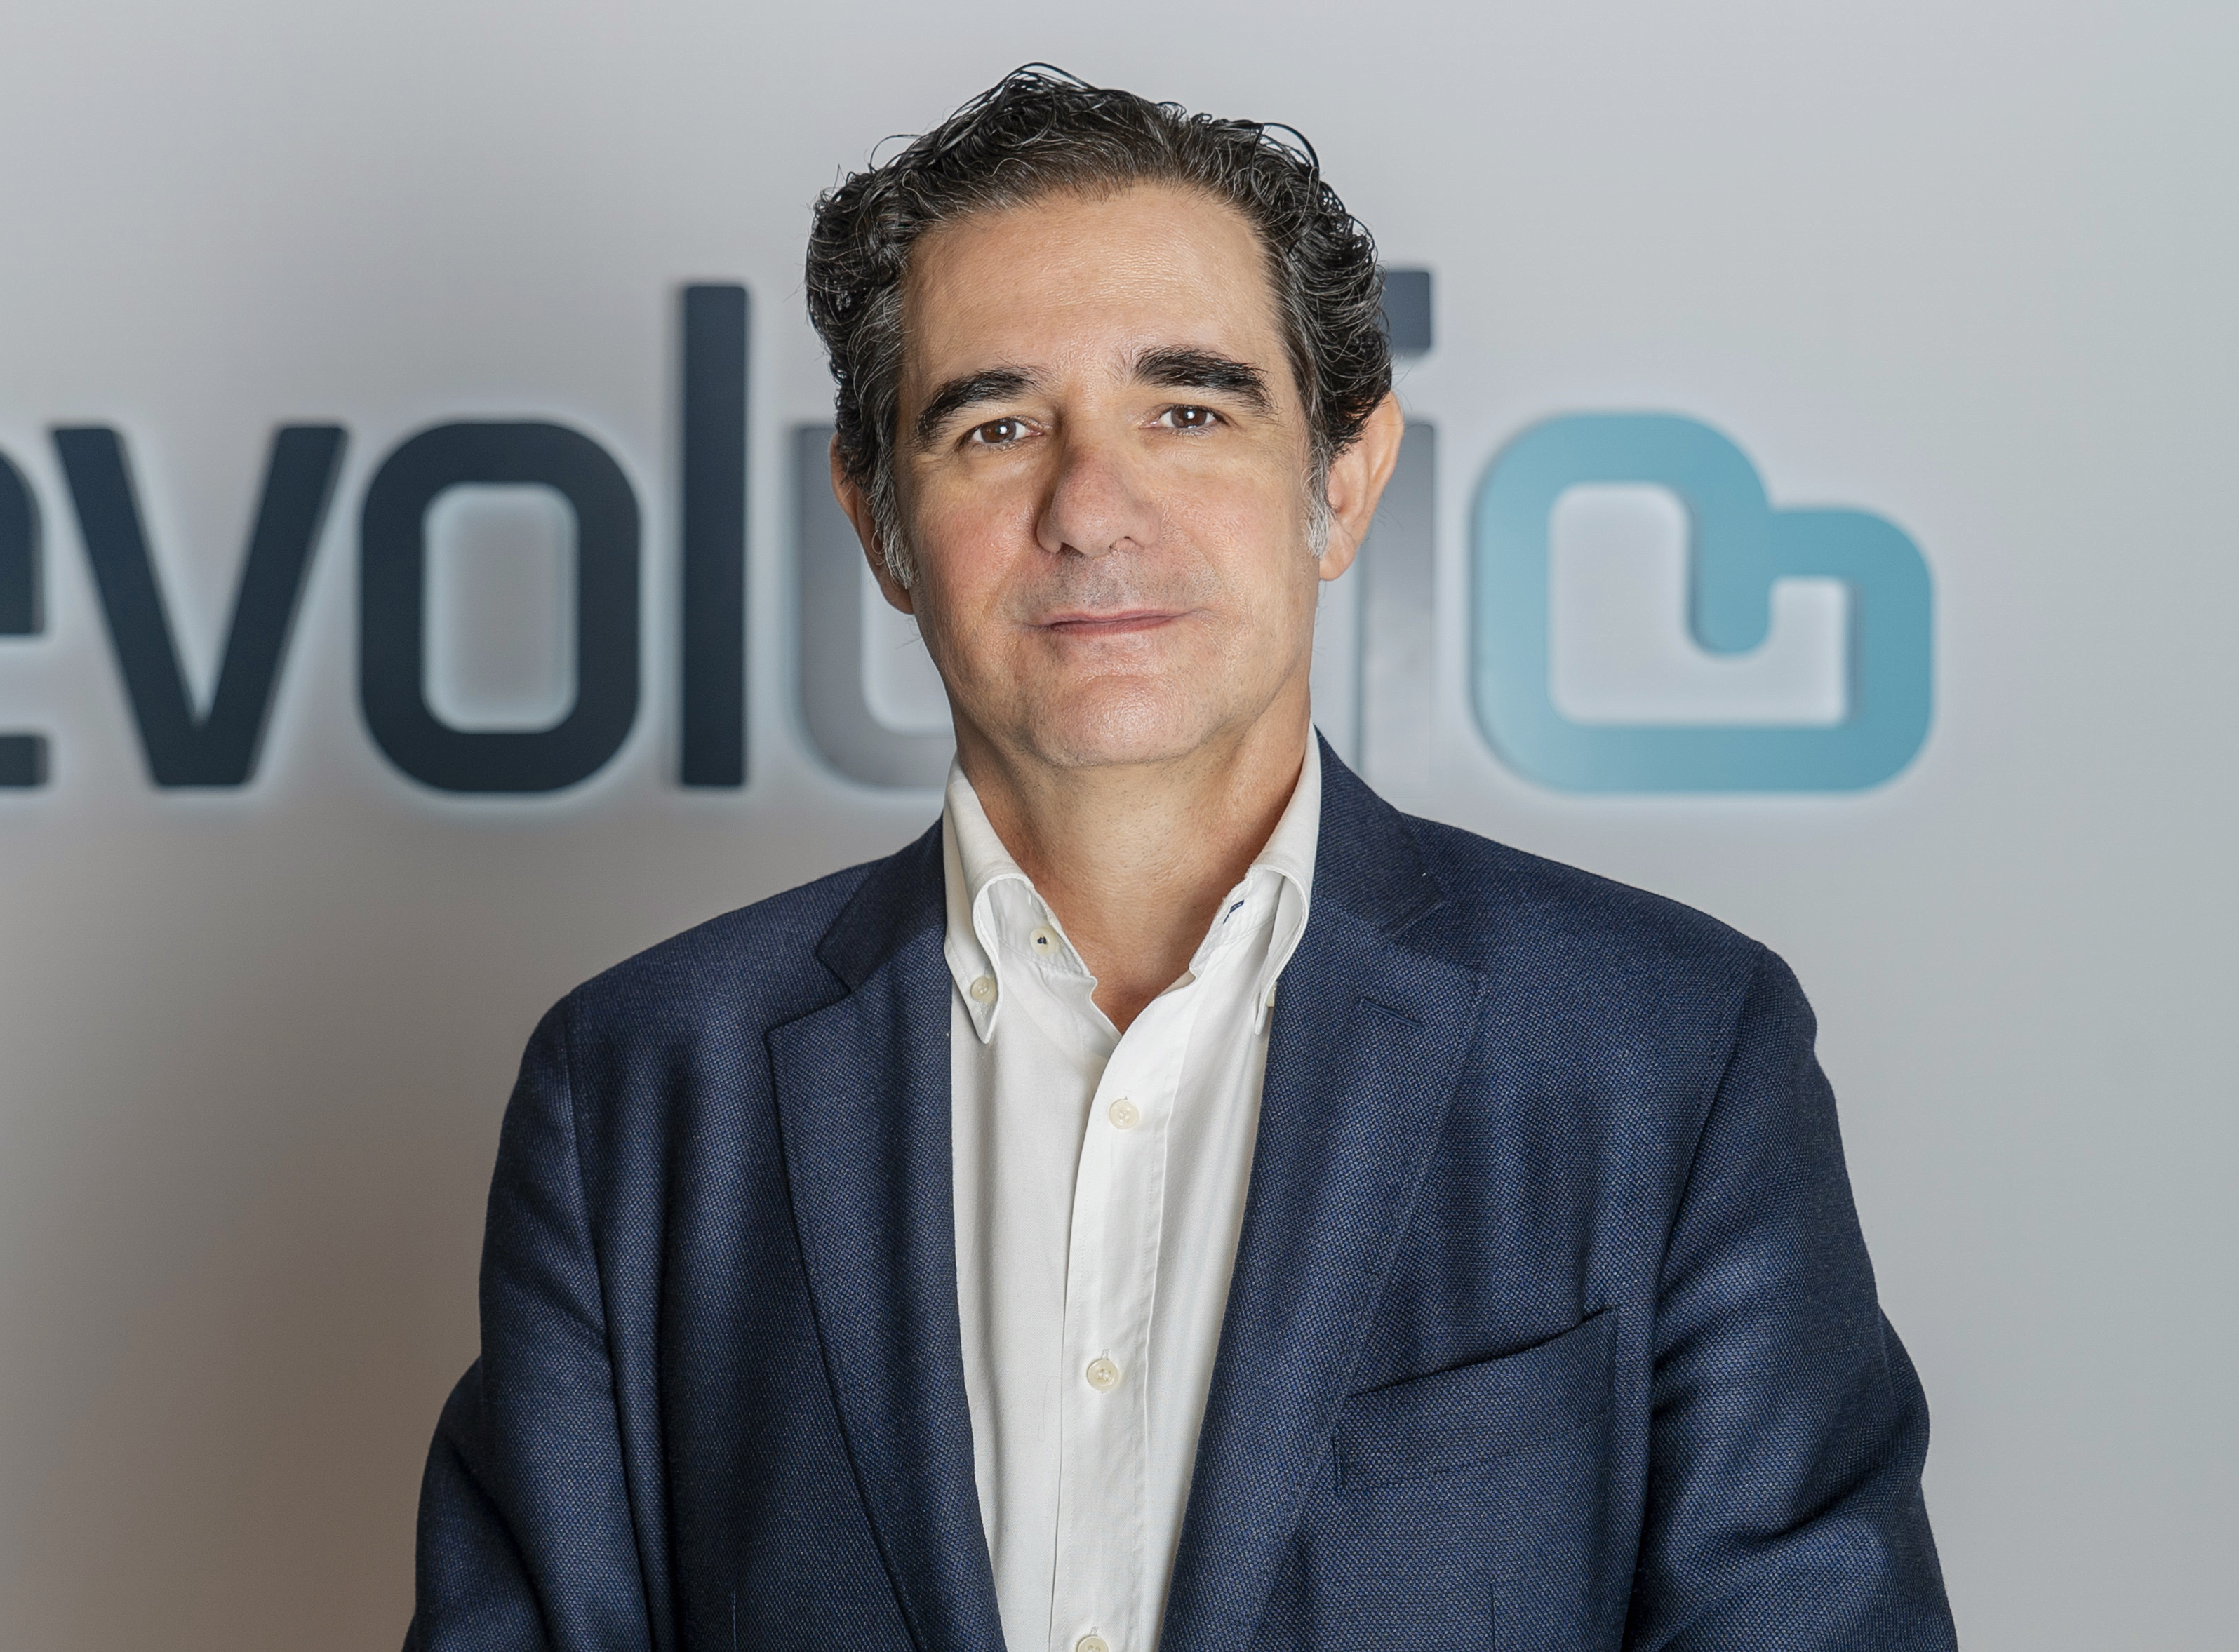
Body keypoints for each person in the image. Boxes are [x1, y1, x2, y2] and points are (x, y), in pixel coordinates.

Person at [406, 67, 1955, 1652]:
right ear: (877, 521)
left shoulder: (1668, 1053)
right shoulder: (638, 1092)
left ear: (1340, 479)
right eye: (998, 425)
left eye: (1190, 411)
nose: (1092, 508)